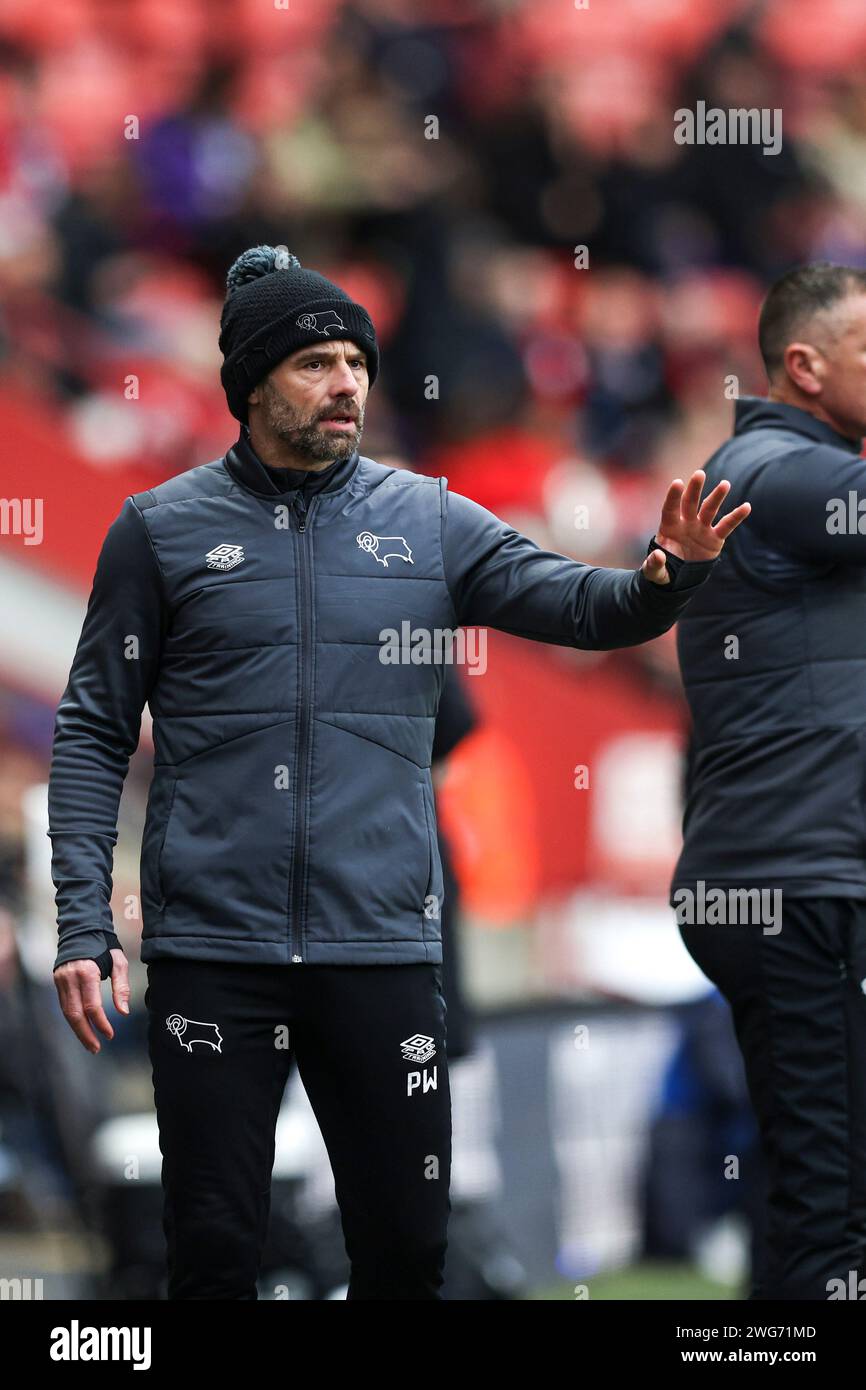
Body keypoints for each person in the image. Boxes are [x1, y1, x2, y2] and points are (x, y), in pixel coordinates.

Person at [48, 243, 748, 1301]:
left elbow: (581, 606)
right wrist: (82, 923)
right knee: (213, 1253)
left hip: (379, 950)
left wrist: (665, 577)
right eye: (315, 363)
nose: (346, 385)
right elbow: (93, 727)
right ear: (250, 385)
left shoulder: (425, 518)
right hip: (211, 952)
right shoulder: (158, 531)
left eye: (357, 363)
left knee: (408, 1252)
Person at [674, 262, 866, 1301]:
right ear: (801, 364)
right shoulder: (763, 470)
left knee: (824, 1191)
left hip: (803, 873)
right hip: (793, 885)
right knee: (832, 1206)